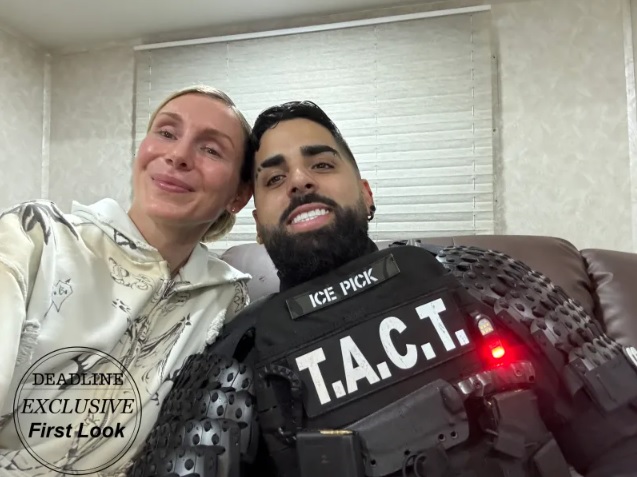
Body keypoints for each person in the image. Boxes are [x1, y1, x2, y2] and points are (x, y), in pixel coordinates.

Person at [128, 101, 637, 477]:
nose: (300, 181)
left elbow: (623, 437)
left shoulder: (485, 276)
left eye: (322, 164)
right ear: (258, 224)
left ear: (367, 193)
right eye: (274, 178)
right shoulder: (235, 356)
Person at [0, 85, 254, 476]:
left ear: (238, 196)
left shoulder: (227, 300)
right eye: (166, 132)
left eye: (210, 149)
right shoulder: (35, 239)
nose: (178, 155)